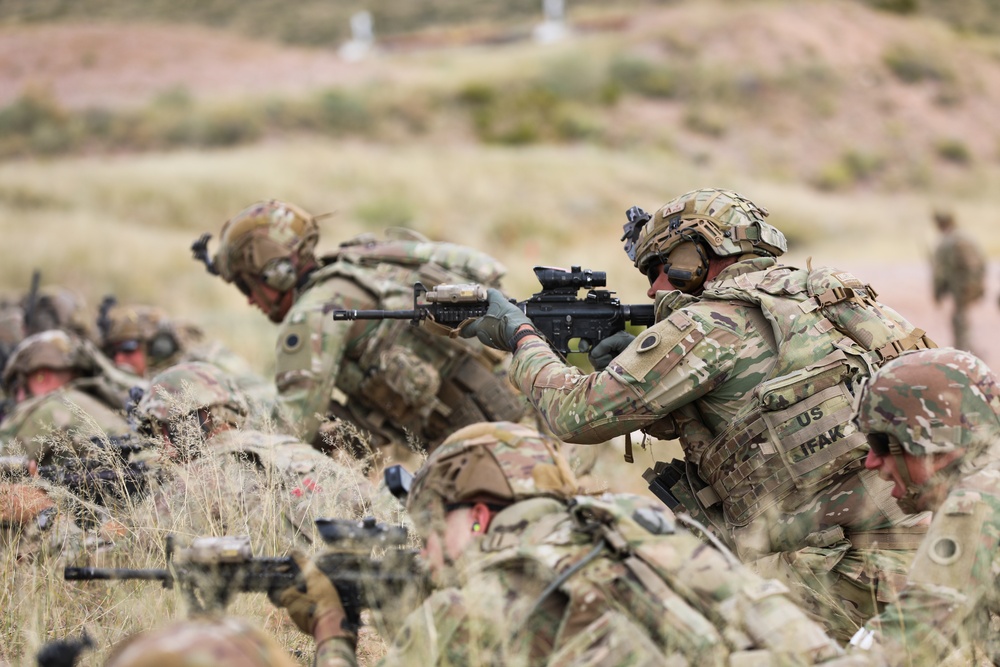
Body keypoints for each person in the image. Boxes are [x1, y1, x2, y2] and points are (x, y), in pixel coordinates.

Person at [452, 188, 935, 639]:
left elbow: (574, 416)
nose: (655, 288)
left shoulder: (708, 323)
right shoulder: (834, 295)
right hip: (931, 550)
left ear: (693, 256)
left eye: (657, 268)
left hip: (836, 574)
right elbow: (764, 409)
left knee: (627, 620)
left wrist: (520, 337)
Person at [274, 421, 850, 667]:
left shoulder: (470, 606)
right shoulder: (652, 534)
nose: (428, 554)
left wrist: (333, 632)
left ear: (477, 514)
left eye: (431, 532)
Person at [195, 200, 526, 470]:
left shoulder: (314, 313)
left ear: (274, 272)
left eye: (244, 284)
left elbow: (290, 427)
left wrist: (222, 436)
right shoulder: (362, 266)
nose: (250, 300)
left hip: (493, 449)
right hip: (521, 409)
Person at [849, 348, 1000, 665]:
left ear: (932, 441)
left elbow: (905, 640)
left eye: (880, 443)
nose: (871, 461)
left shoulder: (978, 500)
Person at [129, 361, 384, 542]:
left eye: (162, 430)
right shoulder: (285, 445)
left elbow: (127, 549)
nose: (163, 446)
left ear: (191, 422)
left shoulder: (203, 475)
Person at [97, 297, 275, 411]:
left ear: (158, 347)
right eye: (113, 353)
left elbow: (264, 403)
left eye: (128, 349)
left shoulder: (207, 360)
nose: (119, 359)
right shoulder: (159, 372)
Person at [0, 330, 132, 466]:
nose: (18, 397)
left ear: (43, 377)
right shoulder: (99, 401)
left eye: (18, 387)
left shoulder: (51, 409)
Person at [930, 210, 986, 352]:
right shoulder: (967, 237)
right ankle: (967, 347)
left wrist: (937, 292)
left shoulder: (946, 242)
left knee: (959, 319)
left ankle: (964, 349)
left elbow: (941, 271)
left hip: (960, 286)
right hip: (971, 284)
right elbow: (982, 263)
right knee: (962, 316)